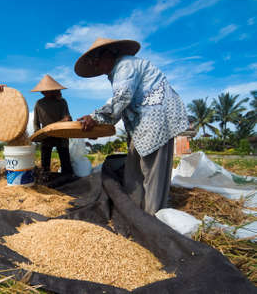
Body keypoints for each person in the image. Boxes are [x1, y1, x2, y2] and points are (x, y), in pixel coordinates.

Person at [74, 38, 189, 215]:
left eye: (97, 62)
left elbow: (122, 98)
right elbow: (121, 105)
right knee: (133, 169)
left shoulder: (125, 66)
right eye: (93, 64)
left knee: (152, 174)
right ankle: (135, 211)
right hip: (142, 122)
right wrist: (98, 124)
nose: (97, 67)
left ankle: (153, 218)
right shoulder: (120, 70)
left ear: (109, 54)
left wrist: (95, 118)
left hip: (156, 119)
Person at [32, 74, 74, 175]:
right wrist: (38, 134)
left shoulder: (62, 102)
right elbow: (36, 122)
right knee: (45, 164)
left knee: (65, 162)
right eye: (43, 91)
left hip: (61, 134)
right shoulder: (39, 103)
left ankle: (67, 179)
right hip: (46, 136)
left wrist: (65, 121)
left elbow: (67, 118)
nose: (43, 92)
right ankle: (45, 179)